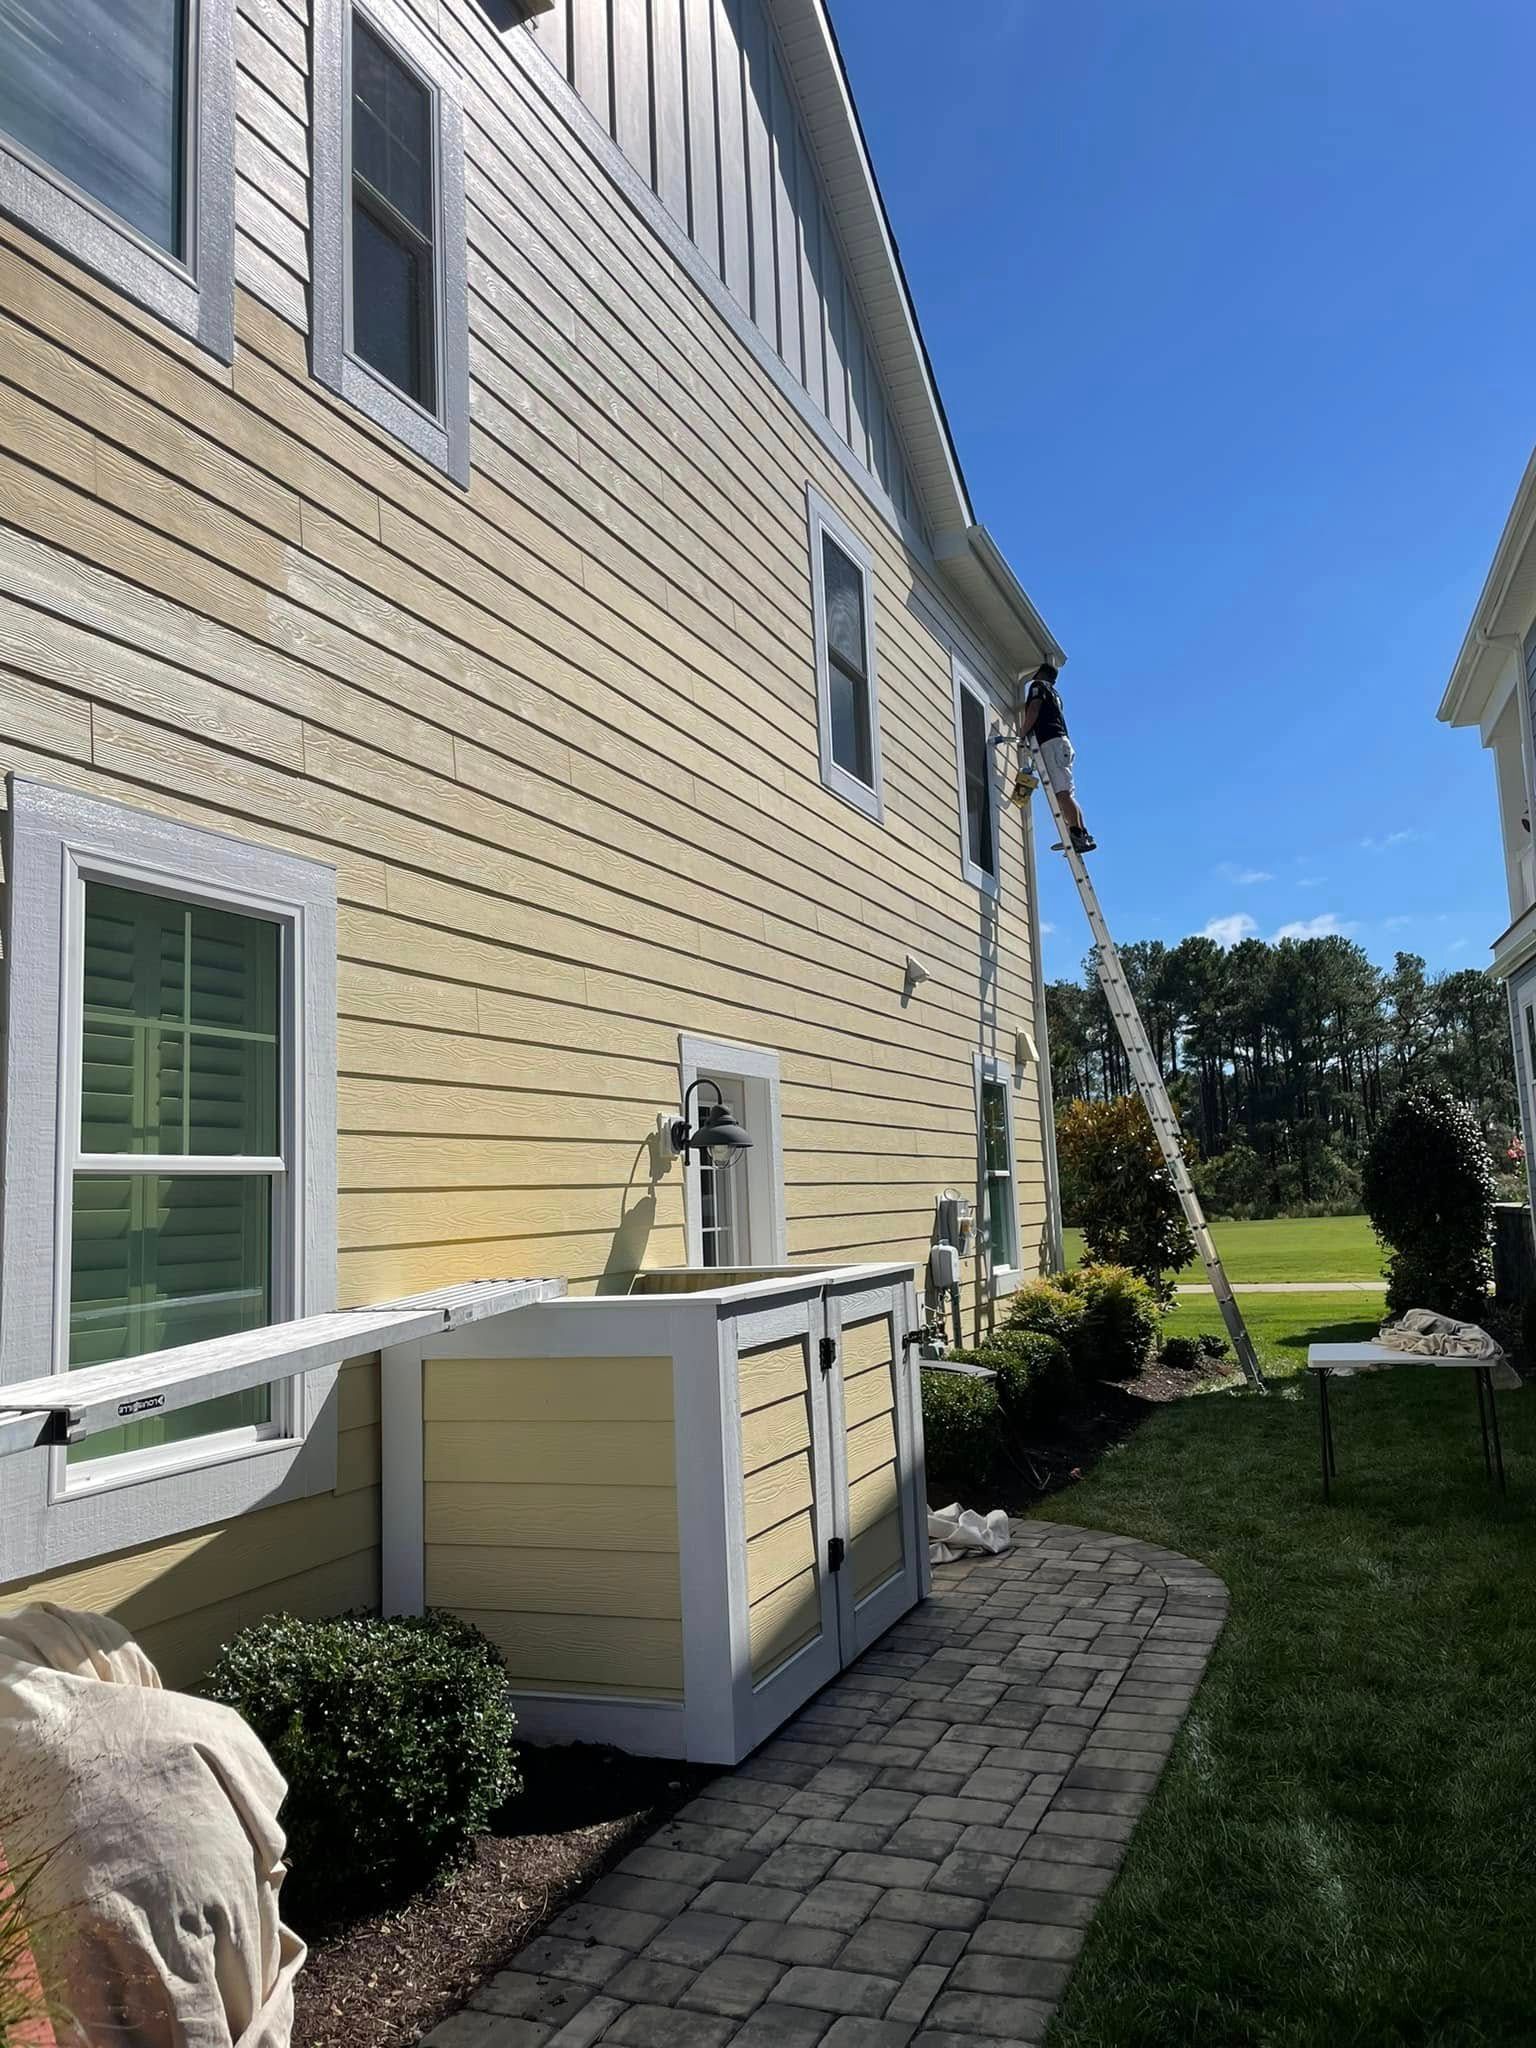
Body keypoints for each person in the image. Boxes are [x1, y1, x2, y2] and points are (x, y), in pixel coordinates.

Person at [1017, 662, 1095, 852]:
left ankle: (1077, 834)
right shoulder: (1054, 693)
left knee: (1062, 794)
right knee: (1066, 793)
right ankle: (1081, 833)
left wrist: (1022, 733)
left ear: (1040, 674)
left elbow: (1034, 709)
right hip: (1060, 743)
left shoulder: (1038, 687)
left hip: (1052, 742)